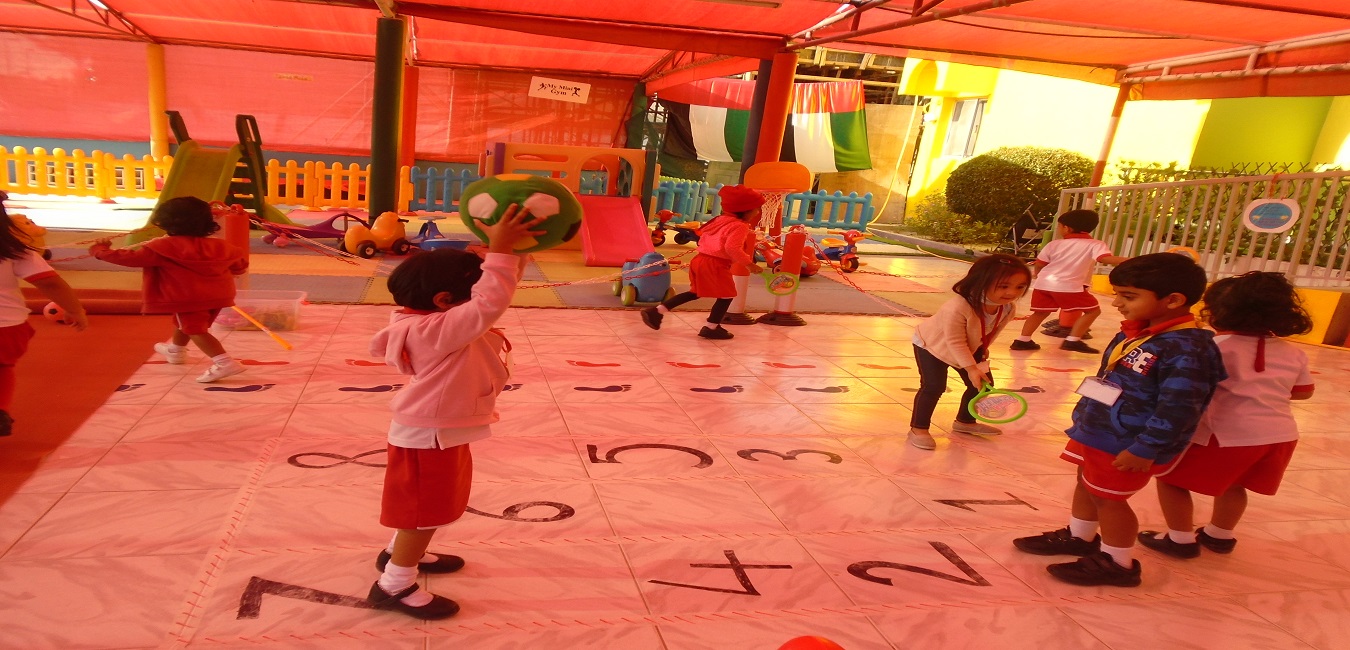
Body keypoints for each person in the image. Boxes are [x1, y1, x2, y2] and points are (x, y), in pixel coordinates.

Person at [366, 204, 543, 620]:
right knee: (424, 513)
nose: (483, 295)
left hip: (436, 431)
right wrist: (501, 252)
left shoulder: (431, 319)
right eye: (473, 289)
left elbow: (494, 294)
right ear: (445, 301)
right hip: (429, 435)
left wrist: (514, 251)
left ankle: (398, 551)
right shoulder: (436, 331)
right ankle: (393, 584)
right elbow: (490, 302)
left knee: (424, 507)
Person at [1013, 253, 1226, 587]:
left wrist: (1147, 447)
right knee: (1087, 481)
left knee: (1109, 499)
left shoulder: (1187, 348)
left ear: (1173, 300)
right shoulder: (1139, 331)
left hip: (1128, 439)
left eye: (1128, 296)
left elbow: (1180, 406)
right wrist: (1085, 415)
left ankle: (1117, 563)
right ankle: (1080, 536)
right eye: (1117, 294)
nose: (1116, 303)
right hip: (1100, 428)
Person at [1139, 271, 1314, 558]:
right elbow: (1303, 392)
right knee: (1235, 482)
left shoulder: (1212, 347)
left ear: (1218, 311)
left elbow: (1186, 387)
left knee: (1170, 479)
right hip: (1279, 436)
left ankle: (1180, 539)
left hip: (1223, 434)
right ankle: (1220, 535)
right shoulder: (1292, 352)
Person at [90, 196, 249, 383]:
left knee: (194, 329)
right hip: (219, 295)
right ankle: (176, 350)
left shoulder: (162, 247)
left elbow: (128, 258)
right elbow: (240, 265)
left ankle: (224, 362)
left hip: (187, 297)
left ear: (165, 222)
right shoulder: (222, 246)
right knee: (186, 323)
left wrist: (100, 250)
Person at [907, 254, 1030, 450]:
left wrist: (983, 348)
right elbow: (954, 341)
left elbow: (992, 330)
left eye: (1020, 287)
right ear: (981, 281)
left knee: (982, 386)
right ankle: (918, 429)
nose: (1012, 292)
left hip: (966, 347)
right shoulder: (957, 306)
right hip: (932, 346)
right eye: (1004, 286)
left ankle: (965, 421)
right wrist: (971, 368)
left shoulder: (1007, 308)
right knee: (934, 386)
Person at [0, 190, 87, 436]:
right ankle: (0, 409)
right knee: (2, 368)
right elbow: (50, 282)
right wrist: (75, 309)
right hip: (7, 326)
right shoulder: (14, 250)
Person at [640, 184, 764, 339]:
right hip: (715, 264)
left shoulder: (720, 220)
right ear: (745, 210)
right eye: (756, 209)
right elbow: (732, 248)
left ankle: (657, 311)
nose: (757, 212)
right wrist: (749, 264)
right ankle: (712, 327)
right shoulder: (739, 226)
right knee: (727, 295)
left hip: (700, 260)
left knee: (696, 292)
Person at [1010, 209, 1128, 354]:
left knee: (1039, 313)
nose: (1059, 229)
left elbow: (1040, 264)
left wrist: (1038, 275)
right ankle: (1073, 340)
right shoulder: (1095, 244)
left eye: (1059, 226)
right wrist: (1132, 260)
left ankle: (1022, 340)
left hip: (1043, 284)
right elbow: (1104, 258)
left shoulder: (1054, 244)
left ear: (1067, 228)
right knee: (1093, 311)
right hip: (1068, 286)